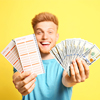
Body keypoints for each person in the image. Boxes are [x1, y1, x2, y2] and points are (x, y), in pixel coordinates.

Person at [13, 12, 89, 100]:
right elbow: (16, 75)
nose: (45, 37)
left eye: (50, 32)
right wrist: (18, 82)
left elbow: (66, 80)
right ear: (33, 37)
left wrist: (72, 79)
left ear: (57, 37)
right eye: (39, 32)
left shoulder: (66, 61)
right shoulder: (24, 59)